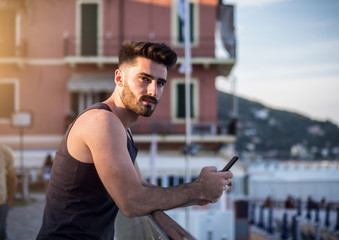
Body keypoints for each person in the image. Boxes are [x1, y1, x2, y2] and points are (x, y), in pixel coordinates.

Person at [37, 41, 233, 240]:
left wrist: (199, 195)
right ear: (119, 78)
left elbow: (141, 186)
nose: (153, 91)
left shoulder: (122, 129)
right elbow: (131, 202)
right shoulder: (102, 121)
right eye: (144, 79)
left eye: (160, 83)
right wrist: (198, 189)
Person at [0, 143, 17, 240]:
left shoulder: (5, 151)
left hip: (1, 204)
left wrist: (10, 200)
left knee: (1, 233)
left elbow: (13, 178)